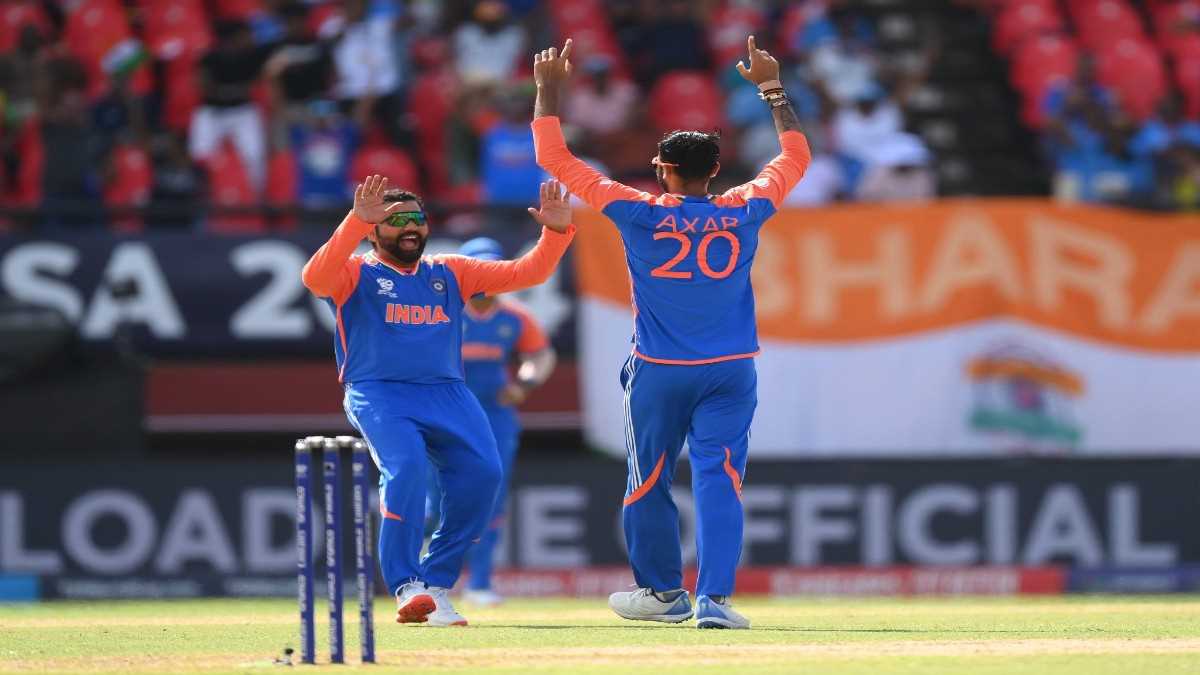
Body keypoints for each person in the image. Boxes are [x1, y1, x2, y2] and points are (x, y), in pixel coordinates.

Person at [530, 37, 810, 629]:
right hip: (731, 369)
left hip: (660, 370)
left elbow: (554, 157)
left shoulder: (638, 210)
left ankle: (662, 594)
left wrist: (548, 90)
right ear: (715, 170)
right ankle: (715, 600)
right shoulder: (746, 207)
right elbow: (796, 156)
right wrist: (772, 89)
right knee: (720, 479)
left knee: (649, 479)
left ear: (661, 169)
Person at [301, 175, 575, 627]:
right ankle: (406, 584)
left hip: (447, 392)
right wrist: (354, 221)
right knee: (406, 469)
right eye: (396, 221)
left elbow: (528, 273)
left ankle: (435, 586)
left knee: (484, 476)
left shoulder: (450, 271)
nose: (410, 227)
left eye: (418, 219)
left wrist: (556, 232)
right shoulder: (354, 272)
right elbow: (314, 277)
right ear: (373, 232)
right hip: (379, 391)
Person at [425, 237, 558, 606]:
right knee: (436, 499)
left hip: (495, 414)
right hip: (446, 413)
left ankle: (480, 583)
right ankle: (423, 579)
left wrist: (524, 384)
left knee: (491, 497)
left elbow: (540, 355)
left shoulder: (515, 316)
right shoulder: (445, 310)